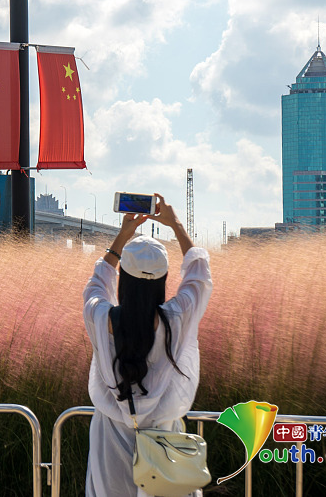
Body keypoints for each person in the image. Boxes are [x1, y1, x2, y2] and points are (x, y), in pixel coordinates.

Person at [82, 194, 212, 497]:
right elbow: (199, 277)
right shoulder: (177, 319)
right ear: (163, 280)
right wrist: (175, 224)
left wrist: (122, 236)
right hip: (163, 448)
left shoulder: (100, 318)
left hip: (110, 446)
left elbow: (97, 282)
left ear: (123, 281)